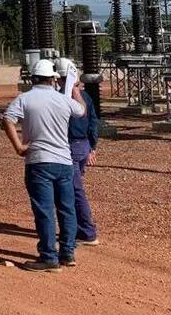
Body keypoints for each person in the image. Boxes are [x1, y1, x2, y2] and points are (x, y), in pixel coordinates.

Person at [2, 58, 87, 272]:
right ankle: (67, 253)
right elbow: (81, 111)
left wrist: (19, 147)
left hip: (39, 162)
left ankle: (49, 256)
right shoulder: (62, 100)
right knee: (67, 209)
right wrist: (75, 90)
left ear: (32, 78)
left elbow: (7, 120)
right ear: (53, 79)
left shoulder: (25, 99)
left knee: (45, 210)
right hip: (64, 162)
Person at [58, 59, 100, 247]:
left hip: (70, 147)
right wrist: (91, 147)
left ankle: (87, 232)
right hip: (82, 146)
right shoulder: (86, 97)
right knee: (74, 188)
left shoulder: (60, 98)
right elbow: (93, 122)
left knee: (74, 191)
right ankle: (74, 227)